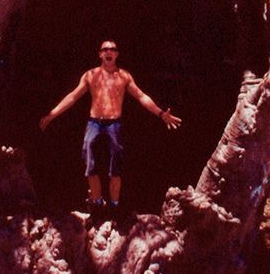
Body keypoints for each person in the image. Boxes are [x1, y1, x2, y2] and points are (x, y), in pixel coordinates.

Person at [39, 40, 181, 217]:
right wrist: (52, 114)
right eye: (105, 49)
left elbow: (141, 96)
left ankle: (114, 207)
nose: (109, 52)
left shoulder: (124, 77)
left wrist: (161, 114)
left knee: (116, 168)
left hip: (114, 124)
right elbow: (73, 97)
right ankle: (97, 205)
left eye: (112, 49)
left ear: (117, 54)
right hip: (94, 123)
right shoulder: (90, 75)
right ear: (100, 54)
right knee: (90, 163)